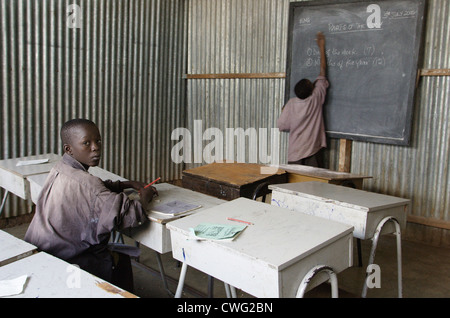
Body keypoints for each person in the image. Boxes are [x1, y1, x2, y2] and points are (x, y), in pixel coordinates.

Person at [24, 118, 157, 292]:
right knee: (120, 258)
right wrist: (145, 196)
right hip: (69, 259)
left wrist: (125, 184)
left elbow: (93, 188)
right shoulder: (89, 184)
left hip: (42, 249)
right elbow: (132, 214)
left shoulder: (60, 168)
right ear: (69, 149)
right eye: (86, 143)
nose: (95, 147)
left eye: (98, 141)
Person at [277, 31, 329, 168]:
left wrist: (284, 111)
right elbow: (323, 71)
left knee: (294, 185)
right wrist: (321, 47)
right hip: (313, 151)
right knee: (313, 186)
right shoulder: (315, 99)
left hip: (295, 153)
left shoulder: (292, 104)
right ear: (312, 90)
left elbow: (281, 126)